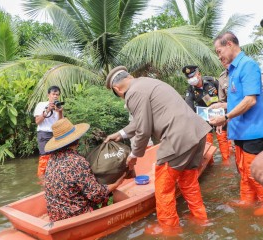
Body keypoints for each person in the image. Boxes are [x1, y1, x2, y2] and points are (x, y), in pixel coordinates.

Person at [104, 66, 212, 236]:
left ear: (117, 89)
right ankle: (201, 219)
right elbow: (143, 120)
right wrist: (121, 133)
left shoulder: (133, 93)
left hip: (177, 140)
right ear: (130, 76)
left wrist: (134, 156)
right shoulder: (147, 83)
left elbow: (143, 130)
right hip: (197, 134)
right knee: (189, 182)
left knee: (163, 189)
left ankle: (169, 231)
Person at [210, 31, 263, 209]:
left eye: (219, 51)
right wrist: (222, 106)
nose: (219, 57)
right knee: (243, 171)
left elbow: (250, 100)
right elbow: (238, 100)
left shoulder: (248, 65)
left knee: (255, 172)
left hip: (253, 131)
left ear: (230, 45)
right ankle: (247, 201)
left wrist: (225, 117)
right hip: (240, 131)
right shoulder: (232, 70)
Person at [43, 118, 125, 222]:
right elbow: (96, 195)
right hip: (75, 216)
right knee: (112, 193)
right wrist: (116, 184)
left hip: (55, 216)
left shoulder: (51, 160)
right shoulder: (77, 161)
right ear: (76, 140)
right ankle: (134, 213)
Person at [182, 65, 230, 164]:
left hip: (219, 113)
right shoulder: (190, 90)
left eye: (192, 76)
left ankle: (227, 163)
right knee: (207, 143)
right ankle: (209, 164)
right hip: (204, 117)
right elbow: (189, 108)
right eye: (189, 78)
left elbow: (224, 96)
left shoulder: (212, 81)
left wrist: (226, 114)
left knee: (222, 138)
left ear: (199, 74)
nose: (191, 79)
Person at [33, 86, 64, 179]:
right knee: (45, 159)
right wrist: (47, 110)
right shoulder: (41, 105)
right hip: (44, 134)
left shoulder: (58, 106)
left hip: (55, 134)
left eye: (57, 95)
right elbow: (37, 121)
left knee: (57, 158)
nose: (55, 96)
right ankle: (42, 183)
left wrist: (60, 112)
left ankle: (55, 180)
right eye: (53, 94)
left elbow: (61, 123)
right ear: (48, 95)